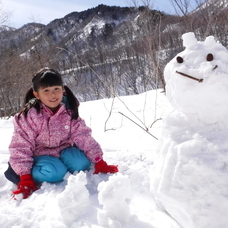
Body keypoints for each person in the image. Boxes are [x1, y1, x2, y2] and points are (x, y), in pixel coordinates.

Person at [4, 68, 118, 199]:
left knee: (81, 163)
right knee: (54, 173)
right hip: (40, 155)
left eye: (56, 89)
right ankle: (20, 172)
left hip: (64, 150)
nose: (53, 95)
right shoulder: (30, 116)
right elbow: (21, 145)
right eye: (46, 91)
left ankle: (61, 165)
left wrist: (99, 160)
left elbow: (83, 135)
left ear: (62, 89)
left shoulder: (69, 111)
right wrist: (25, 176)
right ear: (37, 94)